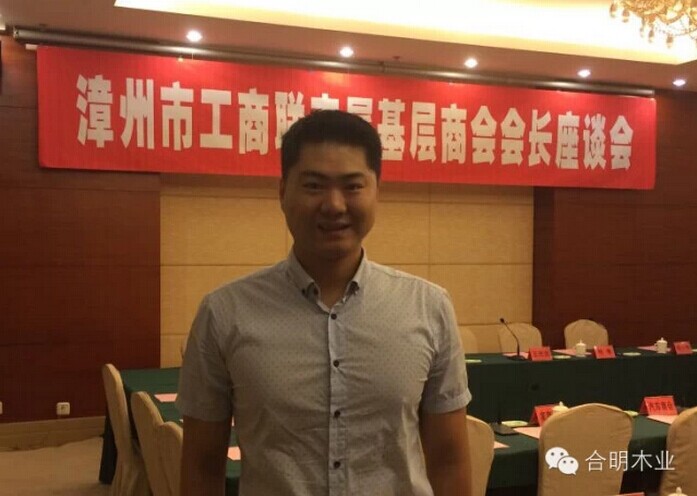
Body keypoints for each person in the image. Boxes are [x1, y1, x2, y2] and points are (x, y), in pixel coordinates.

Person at [177, 109, 472, 496]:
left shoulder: (429, 307)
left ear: (377, 192)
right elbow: (201, 466)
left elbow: (449, 460)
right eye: (314, 185)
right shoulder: (224, 313)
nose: (334, 205)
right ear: (282, 192)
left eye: (352, 186)